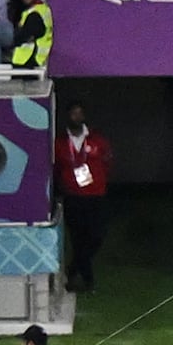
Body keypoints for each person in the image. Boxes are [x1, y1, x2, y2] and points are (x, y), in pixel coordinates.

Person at [54, 107, 112, 291]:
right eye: (73, 113)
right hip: (73, 197)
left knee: (96, 236)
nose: (77, 116)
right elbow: (55, 168)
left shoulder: (97, 140)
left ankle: (71, 271)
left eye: (80, 113)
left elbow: (108, 162)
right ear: (67, 116)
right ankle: (88, 281)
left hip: (95, 196)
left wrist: (100, 181)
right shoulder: (60, 142)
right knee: (78, 239)